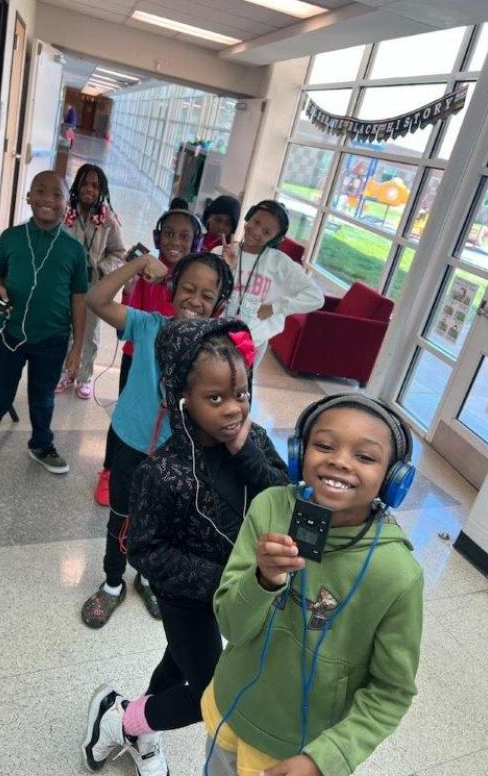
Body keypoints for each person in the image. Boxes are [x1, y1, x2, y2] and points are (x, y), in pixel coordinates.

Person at [82, 317, 289, 776]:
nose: (233, 409)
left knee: (178, 663)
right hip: (188, 598)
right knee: (214, 695)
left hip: (234, 594)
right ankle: (121, 722)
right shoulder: (161, 472)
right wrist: (228, 579)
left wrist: (246, 454)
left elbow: (282, 494)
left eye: (241, 395)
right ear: (181, 398)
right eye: (215, 398)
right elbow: (145, 551)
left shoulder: (253, 440)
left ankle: (140, 726)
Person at [202, 393, 423, 776]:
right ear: (299, 452)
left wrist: (325, 759)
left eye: (365, 456)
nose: (340, 461)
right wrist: (262, 580)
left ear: (393, 479)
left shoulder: (398, 574)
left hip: (302, 750)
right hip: (231, 709)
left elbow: (391, 692)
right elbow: (231, 626)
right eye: (325, 446)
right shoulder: (270, 508)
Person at [81, 251, 234, 627]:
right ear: (172, 289)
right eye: (188, 289)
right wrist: (138, 264)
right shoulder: (147, 325)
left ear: (219, 305)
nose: (195, 300)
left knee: (165, 523)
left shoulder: (215, 352)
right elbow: (95, 299)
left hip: (177, 455)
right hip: (130, 442)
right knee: (122, 516)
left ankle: (147, 578)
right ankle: (113, 582)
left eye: (207, 295)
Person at [0, 171, 88, 482]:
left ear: (66, 203)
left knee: (44, 397)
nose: (47, 199)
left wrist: (77, 348)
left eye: (56, 194)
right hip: (9, 333)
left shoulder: (74, 251)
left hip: (52, 338)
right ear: (28, 197)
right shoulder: (11, 237)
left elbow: (79, 300)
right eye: (39, 191)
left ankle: (41, 445)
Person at [92, 207, 204, 506]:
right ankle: (109, 469)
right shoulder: (146, 271)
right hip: (140, 354)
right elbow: (125, 317)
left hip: (178, 357)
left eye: (184, 236)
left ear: (195, 243)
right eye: (168, 234)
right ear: (157, 237)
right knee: (127, 412)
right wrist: (130, 282)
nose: (175, 241)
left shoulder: (192, 278)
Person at [217, 200, 323, 366]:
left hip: (253, 342)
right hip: (216, 335)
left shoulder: (280, 263)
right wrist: (226, 267)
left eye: (266, 231)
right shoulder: (221, 252)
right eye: (256, 222)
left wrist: (274, 308)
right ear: (248, 217)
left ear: (275, 238)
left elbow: (316, 297)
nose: (256, 231)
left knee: (241, 383)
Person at [55, 164, 125, 399]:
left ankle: (84, 377)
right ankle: (66, 373)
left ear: (101, 190)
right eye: (85, 183)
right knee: (65, 329)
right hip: (66, 285)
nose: (89, 189)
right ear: (77, 186)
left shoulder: (108, 221)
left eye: (95, 186)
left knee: (89, 333)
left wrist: (102, 269)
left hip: (94, 287)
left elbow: (119, 252)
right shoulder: (65, 215)